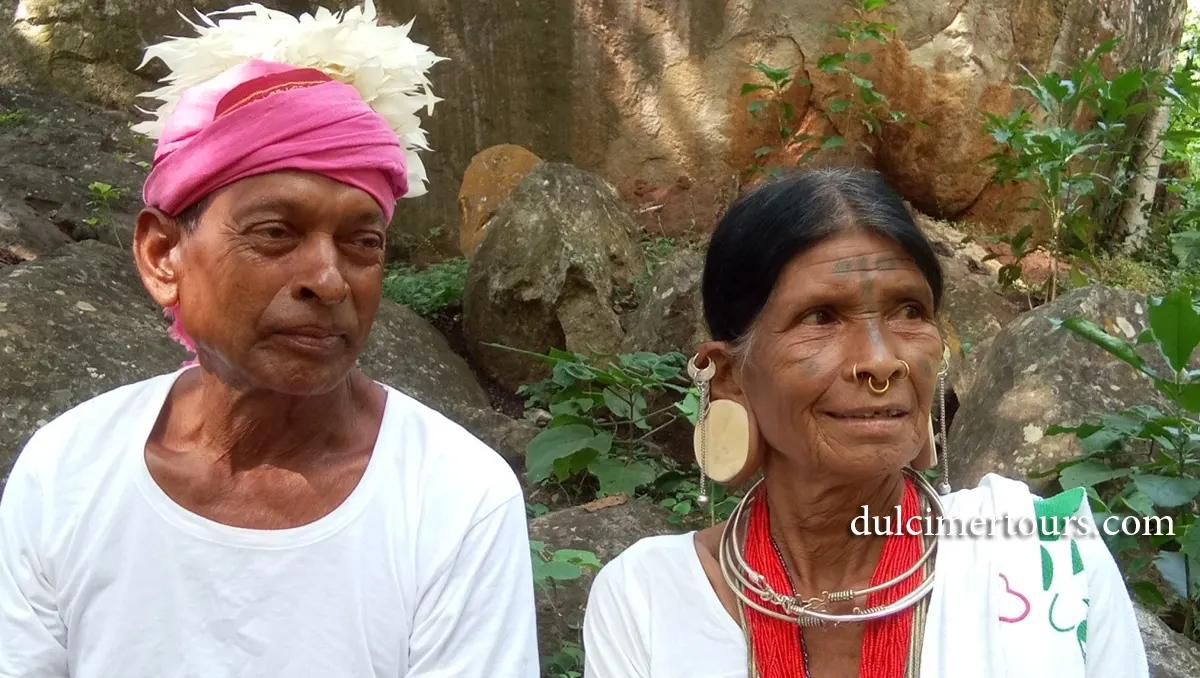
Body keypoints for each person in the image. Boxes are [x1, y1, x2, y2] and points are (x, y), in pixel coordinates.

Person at [0, 3, 539, 677]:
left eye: (362, 243)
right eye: (275, 232)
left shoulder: (455, 499)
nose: (327, 279)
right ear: (164, 255)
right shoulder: (68, 475)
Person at [580, 168, 1148, 677]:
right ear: (729, 376)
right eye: (821, 317)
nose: (881, 360)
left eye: (909, 311)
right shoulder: (646, 601)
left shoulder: (1043, 556)